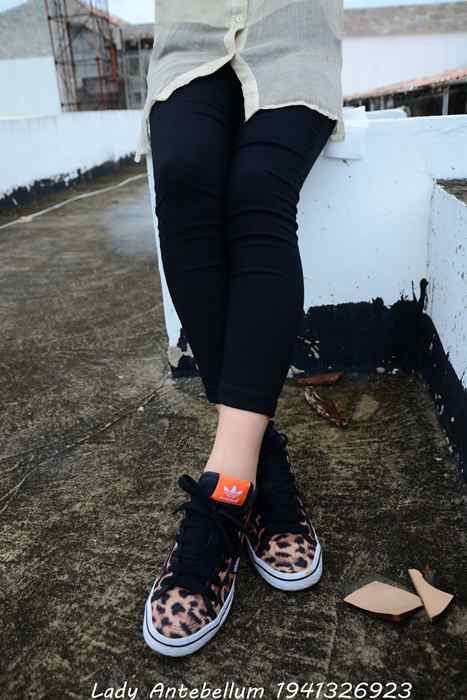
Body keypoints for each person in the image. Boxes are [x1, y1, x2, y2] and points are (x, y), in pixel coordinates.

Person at [137, 1, 345, 657]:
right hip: (190, 33)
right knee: (184, 176)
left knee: (259, 189)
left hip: (294, 30)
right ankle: (262, 456)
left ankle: (228, 484)